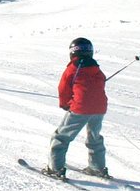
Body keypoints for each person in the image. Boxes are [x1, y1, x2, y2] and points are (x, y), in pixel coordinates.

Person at [43, 37, 109, 180]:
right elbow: (101, 82)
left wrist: (65, 104)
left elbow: (63, 89)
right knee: (94, 137)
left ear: (73, 53)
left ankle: (55, 168)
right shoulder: (96, 68)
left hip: (80, 108)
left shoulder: (73, 68)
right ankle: (97, 167)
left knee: (61, 137)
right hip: (99, 108)